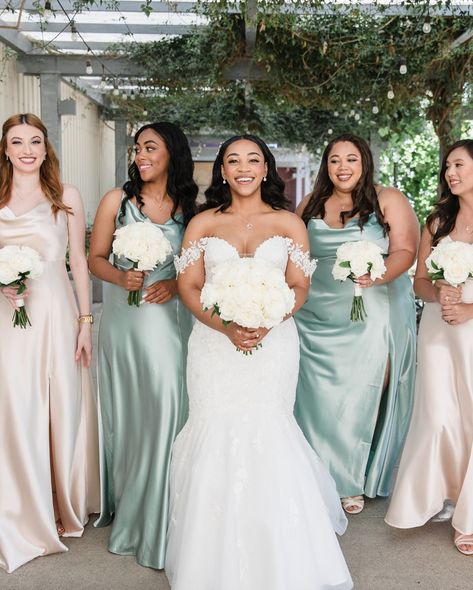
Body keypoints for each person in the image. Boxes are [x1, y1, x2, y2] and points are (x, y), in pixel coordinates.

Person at [165, 134, 353, 590]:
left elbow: (299, 287)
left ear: (266, 168)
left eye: (253, 159)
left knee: (269, 430)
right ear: (222, 171)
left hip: (275, 343)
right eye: (233, 160)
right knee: (214, 428)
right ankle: (209, 563)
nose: (243, 167)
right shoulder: (202, 224)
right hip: (213, 345)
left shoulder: (290, 223)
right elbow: (189, 287)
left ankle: (281, 557)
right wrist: (224, 326)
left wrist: (270, 319)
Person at [89, 122, 198, 569]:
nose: (140, 155)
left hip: (170, 325)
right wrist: (122, 276)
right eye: (137, 148)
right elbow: (95, 258)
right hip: (124, 323)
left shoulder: (191, 209)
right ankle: (131, 510)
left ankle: (162, 516)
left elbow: (201, 263)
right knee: (130, 417)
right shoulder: (117, 201)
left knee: (170, 408)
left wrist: (174, 282)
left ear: (172, 152)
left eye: (150, 147)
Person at [294, 133, 419, 515]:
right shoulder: (311, 203)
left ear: (365, 162)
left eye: (351, 159)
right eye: (334, 159)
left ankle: (352, 480)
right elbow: (294, 254)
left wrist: (376, 277)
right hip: (315, 313)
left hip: (372, 306)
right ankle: (319, 474)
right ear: (325, 165)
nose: (342, 167)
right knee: (317, 395)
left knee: (362, 391)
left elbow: (405, 250)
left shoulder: (388, 199)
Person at [0, 113, 99, 573]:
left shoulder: (67, 196)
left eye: (34, 141)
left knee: (57, 404)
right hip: (8, 316)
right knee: (15, 407)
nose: (26, 150)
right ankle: (21, 507)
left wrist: (85, 321)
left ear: (46, 148)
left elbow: (77, 261)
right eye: (17, 141)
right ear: (4, 148)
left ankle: (60, 505)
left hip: (57, 314)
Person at [385, 139, 473, 555]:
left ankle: (469, 518)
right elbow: (419, 281)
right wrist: (443, 297)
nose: (450, 173)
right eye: (448, 167)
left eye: (458, 164)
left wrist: (470, 308)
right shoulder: (437, 220)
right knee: (438, 415)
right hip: (438, 327)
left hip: (472, 326)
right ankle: (432, 497)